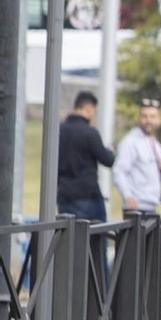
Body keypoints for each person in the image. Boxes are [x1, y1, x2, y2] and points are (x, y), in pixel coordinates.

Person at [55, 90, 116, 223]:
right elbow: (107, 160)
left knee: (69, 238)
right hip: (87, 196)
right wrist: (110, 151)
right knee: (95, 238)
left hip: (64, 194)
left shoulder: (58, 130)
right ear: (89, 108)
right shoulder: (90, 133)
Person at [112, 97, 161, 215]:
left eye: (152, 116)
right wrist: (127, 196)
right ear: (139, 118)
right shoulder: (131, 142)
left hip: (151, 206)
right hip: (136, 208)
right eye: (144, 116)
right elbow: (118, 171)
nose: (148, 120)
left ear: (159, 120)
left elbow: (160, 170)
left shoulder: (156, 145)